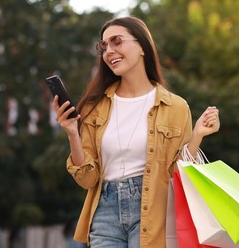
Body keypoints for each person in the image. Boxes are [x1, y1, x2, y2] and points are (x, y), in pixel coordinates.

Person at [53, 16, 220, 248]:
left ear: (142, 45)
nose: (109, 51)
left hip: (153, 211)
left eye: (117, 41)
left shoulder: (176, 107)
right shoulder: (94, 107)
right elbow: (87, 179)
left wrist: (197, 135)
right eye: (103, 46)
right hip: (105, 212)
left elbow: (176, 172)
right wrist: (72, 133)